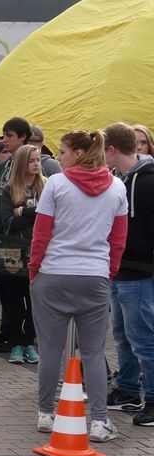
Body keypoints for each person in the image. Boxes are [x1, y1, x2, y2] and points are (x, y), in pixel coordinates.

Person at [29, 129, 128, 442]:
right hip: (95, 275)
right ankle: (98, 421)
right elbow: (118, 239)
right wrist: (109, 272)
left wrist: (34, 269)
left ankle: (46, 414)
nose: (58, 156)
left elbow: (41, 233)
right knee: (93, 352)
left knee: (49, 349)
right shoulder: (117, 187)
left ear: (78, 153)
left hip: (54, 273)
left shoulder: (56, 184)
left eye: (62, 151)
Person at [103, 123, 154, 425]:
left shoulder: (147, 181)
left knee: (143, 338)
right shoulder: (117, 179)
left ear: (111, 149)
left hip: (140, 272)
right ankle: (128, 389)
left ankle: (152, 399)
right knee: (122, 335)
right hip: (121, 269)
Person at [0, 117, 33, 352]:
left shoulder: (36, 167)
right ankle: (6, 332)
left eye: (10, 135)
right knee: (4, 288)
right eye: (4, 135)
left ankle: (21, 337)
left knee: (21, 292)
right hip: (1, 237)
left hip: (23, 240)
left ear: (23, 137)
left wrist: (22, 213)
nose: (5, 140)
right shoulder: (2, 167)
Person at [0, 144, 44, 364]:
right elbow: (7, 222)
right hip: (14, 251)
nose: (36, 164)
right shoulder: (10, 189)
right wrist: (34, 214)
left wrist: (23, 211)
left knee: (35, 301)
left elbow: (51, 216)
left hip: (40, 250)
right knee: (14, 300)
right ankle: (16, 342)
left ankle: (29, 342)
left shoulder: (46, 186)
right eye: (32, 160)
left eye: (38, 160)